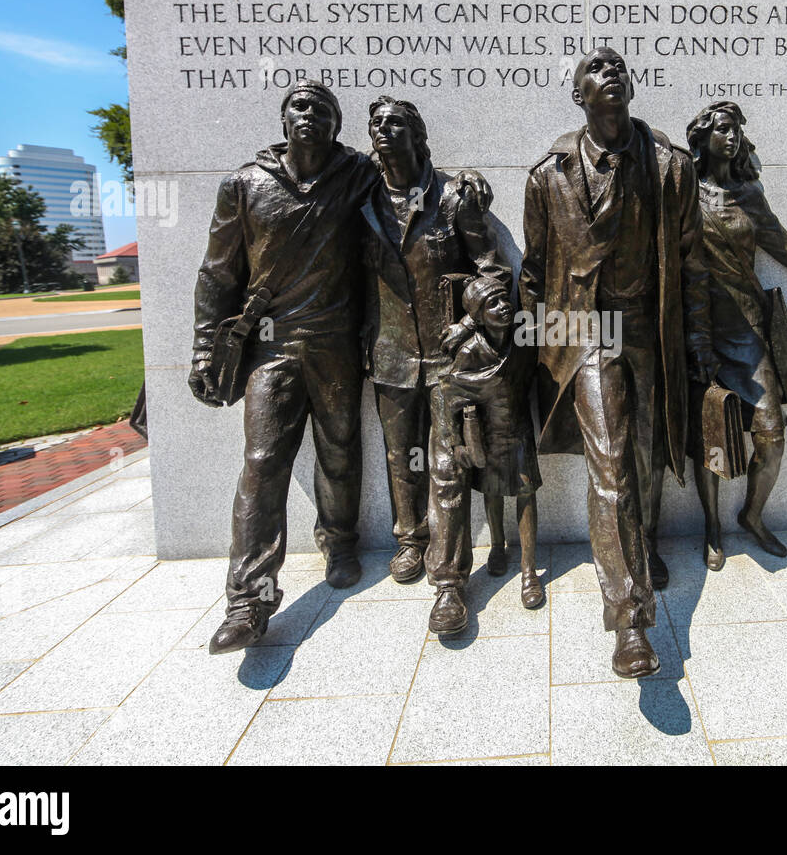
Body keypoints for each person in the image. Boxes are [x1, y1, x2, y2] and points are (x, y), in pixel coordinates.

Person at [520, 47, 716, 678]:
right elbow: (536, 266)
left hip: (647, 325)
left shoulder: (669, 166)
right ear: (578, 95)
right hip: (585, 330)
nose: (609, 75)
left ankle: (644, 541)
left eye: (617, 68)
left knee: (647, 449)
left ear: (632, 86)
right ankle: (630, 617)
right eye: (593, 71)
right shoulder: (547, 175)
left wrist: (696, 339)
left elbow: (689, 260)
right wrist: (533, 344)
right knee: (610, 464)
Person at [189, 80, 378, 654]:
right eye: (300, 105)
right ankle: (248, 600)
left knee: (341, 446)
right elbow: (217, 272)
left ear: (336, 125)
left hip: (337, 340)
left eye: (322, 109)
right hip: (270, 346)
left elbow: (411, 181)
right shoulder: (244, 185)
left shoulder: (358, 175)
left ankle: (340, 540)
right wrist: (203, 347)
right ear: (284, 119)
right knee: (263, 461)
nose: (310, 115)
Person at [686, 101, 787, 569]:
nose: (731, 137)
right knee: (710, 436)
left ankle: (752, 515)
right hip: (699, 330)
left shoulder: (748, 194)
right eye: (721, 129)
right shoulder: (683, 193)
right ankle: (712, 529)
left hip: (749, 331)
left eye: (736, 130)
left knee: (771, 437)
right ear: (703, 137)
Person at [359, 96, 506, 585]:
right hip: (389, 351)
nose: (384, 130)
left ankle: (449, 579)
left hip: (448, 357)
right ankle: (409, 539)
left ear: (418, 135)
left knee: (447, 463)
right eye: (376, 124)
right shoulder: (361, 200)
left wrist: (468, 326)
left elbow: (493, 269)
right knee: (400, 453)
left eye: (396, 123)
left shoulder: (453, 195)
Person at [425, 275, 544, 634]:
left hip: (519, 428)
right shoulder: (470, 351)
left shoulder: (523, 337)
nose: (503, 306)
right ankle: (496, 545)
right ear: (477, 314)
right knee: (492, 491)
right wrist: (461, 440)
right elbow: (452, 394)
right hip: (488, 432)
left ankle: (528, 570)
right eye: (491, 303)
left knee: (525, 493)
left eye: (504, 299)